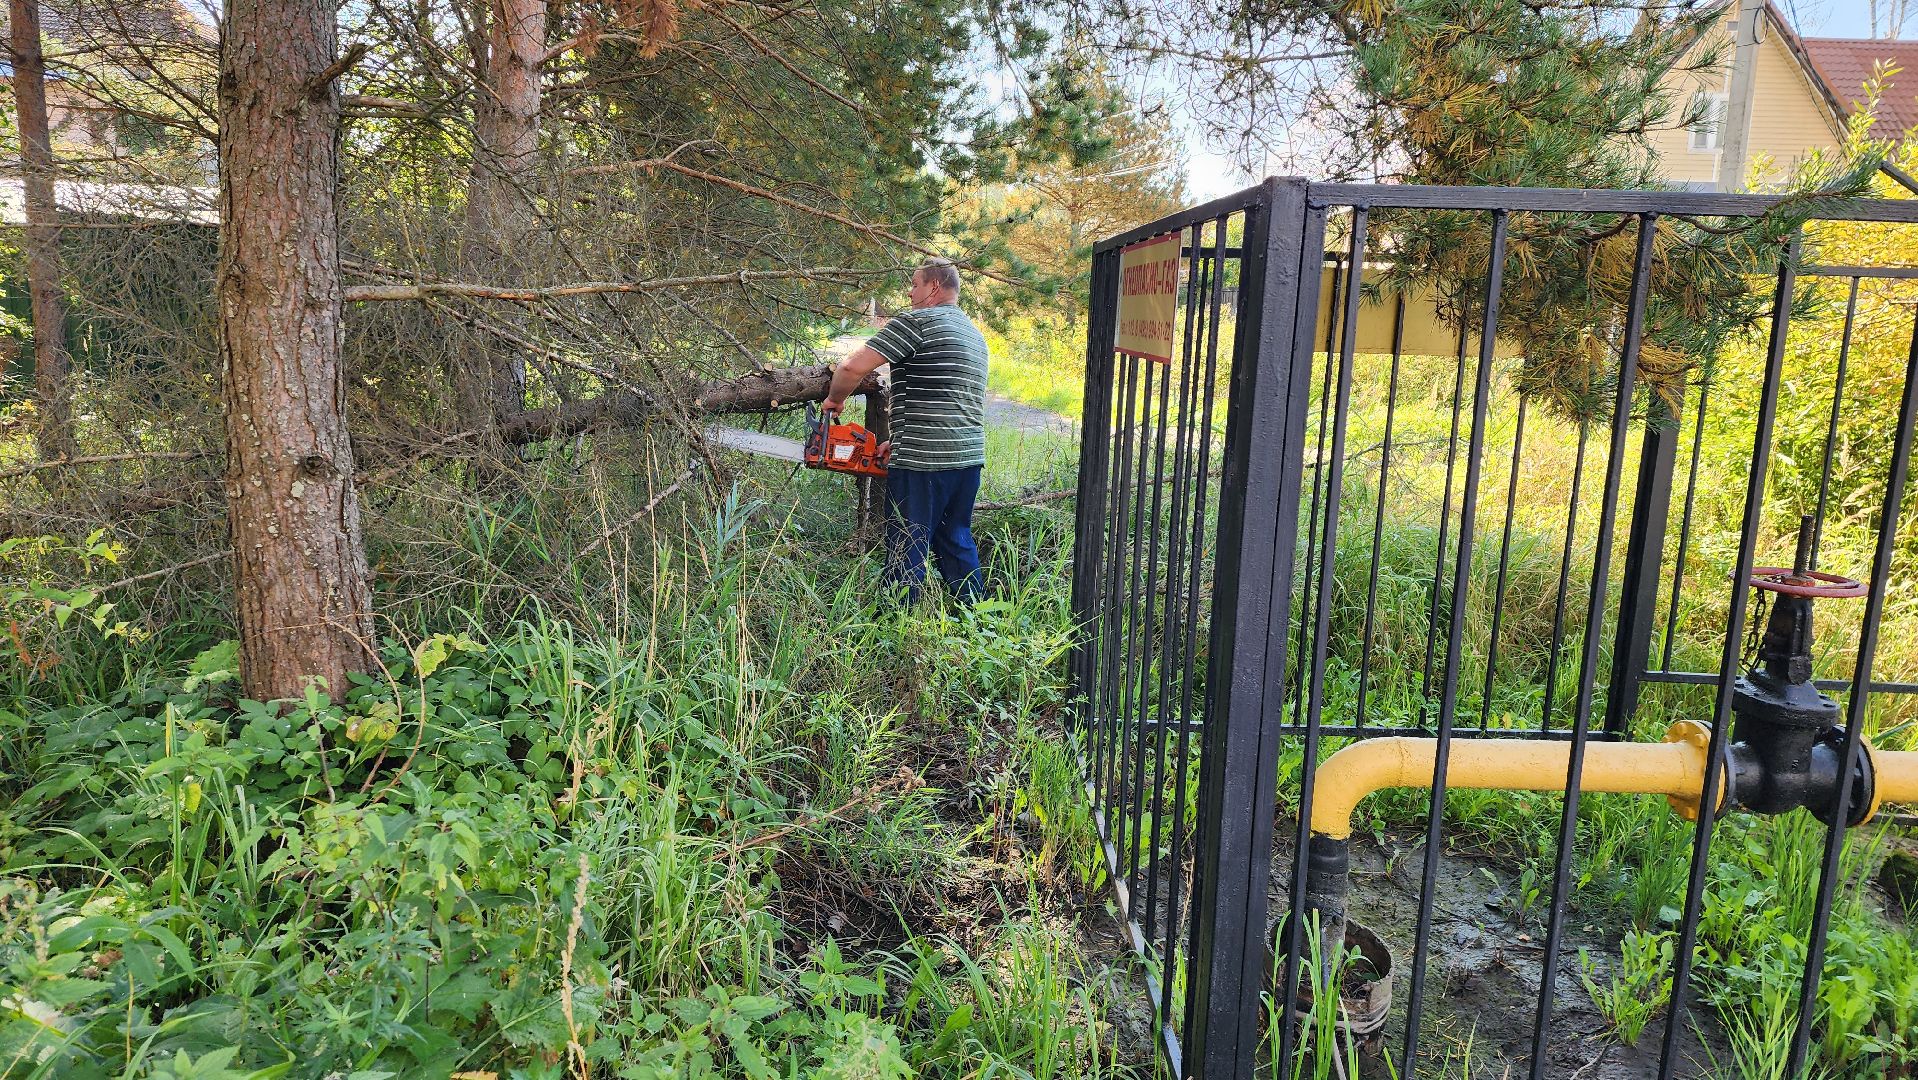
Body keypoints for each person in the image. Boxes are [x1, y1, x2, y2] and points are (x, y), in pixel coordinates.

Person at [821, 257, 989, 603]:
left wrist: (834, 400)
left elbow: (853, 366)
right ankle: (977, 618)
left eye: (914, 285)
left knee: (907, 541)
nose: (910, 293)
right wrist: (897, 441)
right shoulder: (973, 333)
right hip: (968, 458)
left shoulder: (918, 321)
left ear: (934, 287)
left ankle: (896, 624)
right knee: (955, 537)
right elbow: (944, 396)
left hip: (923, 463)